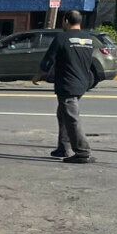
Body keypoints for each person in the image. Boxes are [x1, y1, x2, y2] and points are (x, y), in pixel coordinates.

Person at [33, 10, 96, 164]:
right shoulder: (89, 39)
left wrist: (38, 75)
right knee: (63, 114)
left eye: (63, 21)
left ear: (66, 21)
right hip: (82, 82)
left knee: (72, 118)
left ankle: (83, 152)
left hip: (67, 83)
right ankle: (63, 147)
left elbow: (48, 60)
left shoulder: (62, 38)